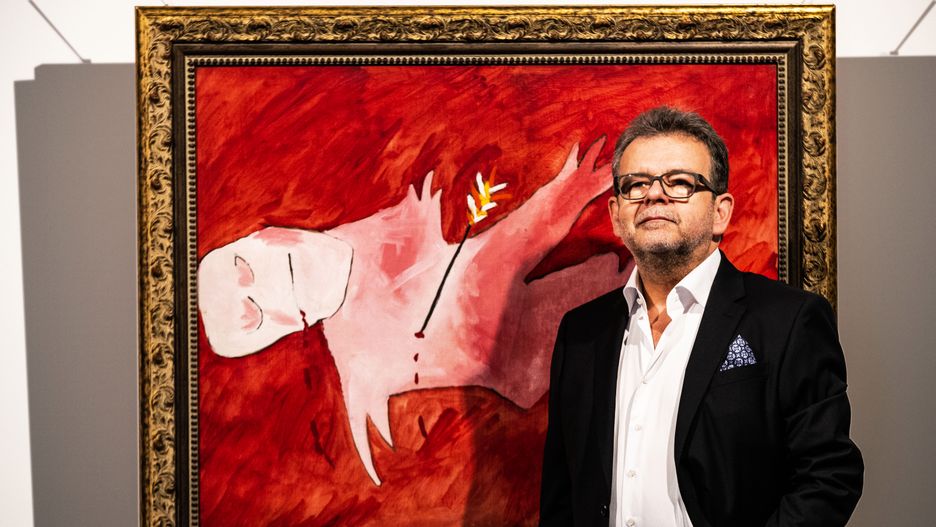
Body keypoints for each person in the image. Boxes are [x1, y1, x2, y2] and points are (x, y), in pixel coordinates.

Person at [539, 106, 863, 526]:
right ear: (616, 215)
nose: (654, 195)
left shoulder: (788, 321)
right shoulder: (581, 333)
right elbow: (562, 493)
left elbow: (829, 476)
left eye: (679, 182)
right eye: (636, 184)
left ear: (720, 212)